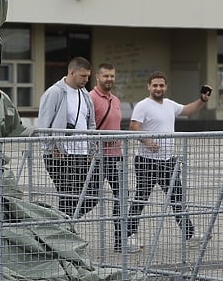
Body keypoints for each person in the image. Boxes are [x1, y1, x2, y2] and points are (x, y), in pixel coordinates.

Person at [124, 71, 213, 251]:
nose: (158, 88)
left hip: (167, 161)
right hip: (146, 161)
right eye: (155, 85)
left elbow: (187, 110)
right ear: (149, 86)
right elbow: (133, 127)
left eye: (161, 85)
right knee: (140, 199)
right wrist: (147, 141)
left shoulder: (170, 105)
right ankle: (128, 236)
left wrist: (202, 100)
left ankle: (190, 235)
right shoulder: (143, 105)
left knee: (177, 199)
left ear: (166, 87)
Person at [37, 57, 96, 218]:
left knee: (92, 195)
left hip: (82, 155)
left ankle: (63, 226)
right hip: (61, 155)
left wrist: (91, 149)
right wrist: (52, 148)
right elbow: (44, 123)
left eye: (88, 76)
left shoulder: (84, 94)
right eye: (83, 76)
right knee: (68, 197)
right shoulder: (55, 92)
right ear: (72, 72)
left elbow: (90, 123)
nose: (86, 80)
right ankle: (64, 232)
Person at [88, 63, 127, 252]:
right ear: (97, 77)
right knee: (90, 198)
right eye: (106, 76)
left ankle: (120, 242)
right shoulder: (91, 99)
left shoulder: (116, 100)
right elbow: (86, 129)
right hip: (98, 158)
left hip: (116, 158)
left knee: (122, 198)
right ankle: (65, 227)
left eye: (112, 76)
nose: (109, 79)